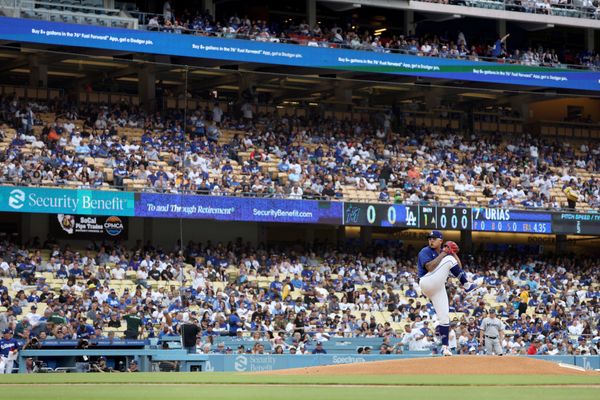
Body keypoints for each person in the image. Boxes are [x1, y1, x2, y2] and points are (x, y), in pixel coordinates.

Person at [417, 231, 476, 356]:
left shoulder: (445, 256)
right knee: (448, 259)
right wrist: (445, 253)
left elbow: (458, 267)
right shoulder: (425, 251)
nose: (431, 240)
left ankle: (445, 348)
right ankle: (467, 285)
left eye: (434, 238)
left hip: (438, 287)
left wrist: (453, 253)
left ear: (440, 241)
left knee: (444, 318)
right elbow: (429, 267)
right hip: (427, 281)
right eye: (430, 239)